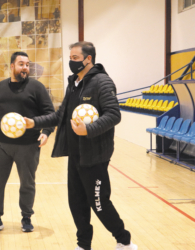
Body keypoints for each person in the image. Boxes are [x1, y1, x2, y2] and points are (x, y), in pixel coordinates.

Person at [24, 42, 138, 250]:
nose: (71, 62)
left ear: (88, 59)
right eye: (71, 57)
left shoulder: (102, 82)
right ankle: (83, 245)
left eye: (75, 58)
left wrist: (89, 129)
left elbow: (114, 114)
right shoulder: (74, 83)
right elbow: (61, 116)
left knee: (99, 202)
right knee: (76, 203)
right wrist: (34, 122)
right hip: (75, 154)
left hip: (94, 156)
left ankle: (124, 241)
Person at [0, 51, 55, 232]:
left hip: (28, 145)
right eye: (21, 64)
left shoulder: (37, 88)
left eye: (27, 64)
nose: (25, 67)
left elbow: (50, 114)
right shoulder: (0, 87)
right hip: (0, 145)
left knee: (27, 183)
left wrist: (47, 132)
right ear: (12, 66)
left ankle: (26, 218)